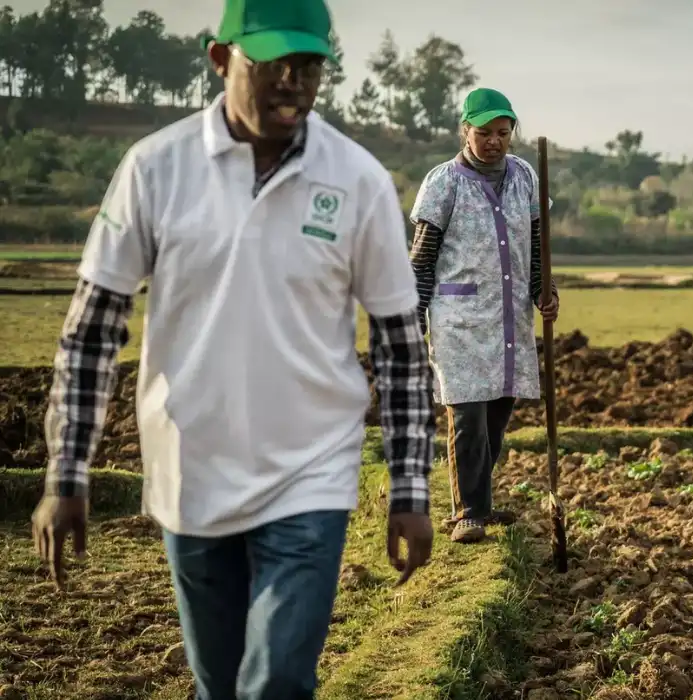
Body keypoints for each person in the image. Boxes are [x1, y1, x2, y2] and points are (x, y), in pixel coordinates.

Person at [28, 0, 438, 696]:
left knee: (275, 682)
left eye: (309, 66)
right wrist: (67, 470)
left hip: (312, 471)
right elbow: (95, 327)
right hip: (192, 471)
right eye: (274, 63)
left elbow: (399, 345)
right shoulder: (155, 168)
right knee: (220, 685)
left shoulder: (358, 180)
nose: (294, 82)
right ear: (221, 59)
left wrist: (410, 485)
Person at [408, 87, 558, 545]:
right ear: (465, 131)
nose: (494, 141)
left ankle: (480, 500)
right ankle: (469, 512)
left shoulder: (526, 176)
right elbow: (422, 257)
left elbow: (537, 244)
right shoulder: (443, 182)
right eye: (484, 132)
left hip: (508, 317)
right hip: (458, 317)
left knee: (498, 412)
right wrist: (412, 317)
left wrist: (542, 290)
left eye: (503, 132)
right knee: (468, 414)